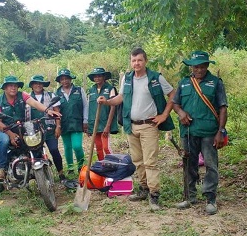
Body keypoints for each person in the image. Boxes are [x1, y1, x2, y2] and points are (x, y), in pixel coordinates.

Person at [98, 48, 175, 211]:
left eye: (139, 60)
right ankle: (143, 189)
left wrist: (164, 115)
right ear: (130, 62)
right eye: (133, 61)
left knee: (150, 162)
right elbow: (121, 97)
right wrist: (107, 101)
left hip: (149, 125)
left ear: (145, 61)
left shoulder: (155, 78)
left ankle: (154, 195)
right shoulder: (127, 78)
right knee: (138, 161)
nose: (136, 63)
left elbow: (173, 95)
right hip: (131, 124)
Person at [172, 51, 228, 214]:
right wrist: (181, 113)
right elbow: (175, 104)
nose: (199, 70)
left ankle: (210, 198)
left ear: (207, 66)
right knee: (189, 164)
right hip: (189, 131)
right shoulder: (184, 83)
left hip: (210, 131)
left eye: (202, 66)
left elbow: (223, 108)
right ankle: (189, 197)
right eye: (196, 67)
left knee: (211, 165)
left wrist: (220, 131)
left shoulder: (216, 83)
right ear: (191, 67)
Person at [0, 76, 61, 183]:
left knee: (33, 141)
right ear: (5, 88)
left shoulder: (22, 95)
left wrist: (47, 110)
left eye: (15, 86)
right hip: (4, 130)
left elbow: (35, 103)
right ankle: (1, 169)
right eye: (10, 86)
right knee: (4, 141)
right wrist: (10, 134)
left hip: (20, 128)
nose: (13, 88)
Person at [28, 75, 69, 185]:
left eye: (40, 83)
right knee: (36, 153)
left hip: (50, 129)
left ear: (43, 85)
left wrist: (58, 126)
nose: (38, 85)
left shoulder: (51, 95)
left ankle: (61, 173)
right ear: (32, 85)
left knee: (54, 150)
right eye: (35, 83)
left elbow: (57, 112)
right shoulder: (27, 98)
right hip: (34, 131)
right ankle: (40, 177)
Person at [55, 69, 89, 174]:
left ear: (70, 79)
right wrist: (58, 125)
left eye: (66, 78)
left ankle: (81, 166)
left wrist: (85, 120)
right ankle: (70, 168)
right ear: (60, 81)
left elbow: (85, 105)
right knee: (67, 146)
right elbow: (55, 109)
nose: (65, 81)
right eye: (62, 79)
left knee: (77, 146)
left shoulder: (79, 90)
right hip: (64, 123)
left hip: (77, 122)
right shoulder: (56, 93)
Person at [87, 67, 119, 161]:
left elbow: (113, 106)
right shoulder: (91, 90)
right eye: (95, 76)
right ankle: (102, 169)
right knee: (99, 149)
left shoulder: (110, 89)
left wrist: (108, 125)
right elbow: (90, 108)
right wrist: (89, 126)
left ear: (104, 77)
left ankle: (113, 167)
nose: (97, 78)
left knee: (106, 148)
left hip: (105, 123)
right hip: (94, 124)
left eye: (99, 76)